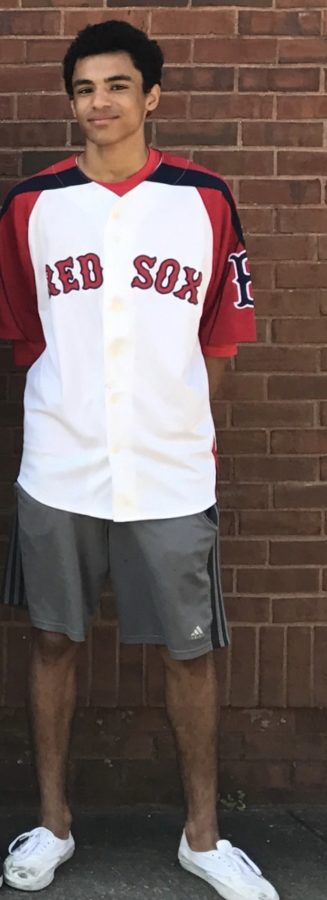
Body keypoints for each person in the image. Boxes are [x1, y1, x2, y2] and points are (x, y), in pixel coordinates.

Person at [0, 19, 278, 900]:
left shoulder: (202, 198)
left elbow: (220, 342)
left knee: (190, 653)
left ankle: (203, 837)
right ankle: (52, 825)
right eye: (83, 89)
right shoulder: (29, 206)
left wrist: (180, 427)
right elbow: (26, 334)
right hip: (62, 461)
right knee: (52, 639)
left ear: (150, 96)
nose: (98, 104)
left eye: (117, 85)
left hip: (168, 466)